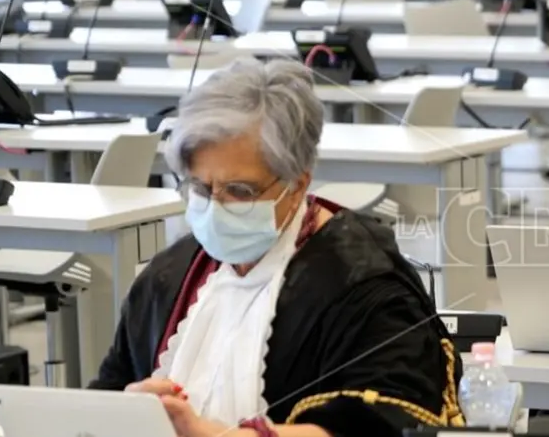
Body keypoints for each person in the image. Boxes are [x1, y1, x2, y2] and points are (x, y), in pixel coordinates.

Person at [90, 59, 464, 437]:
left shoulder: (366, 287)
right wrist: (132, 410)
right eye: (201, 188)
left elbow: (385, 425)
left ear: (298, 184)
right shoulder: (169, 278)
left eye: (240, 191)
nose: (215, 207)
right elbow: (106, 395)